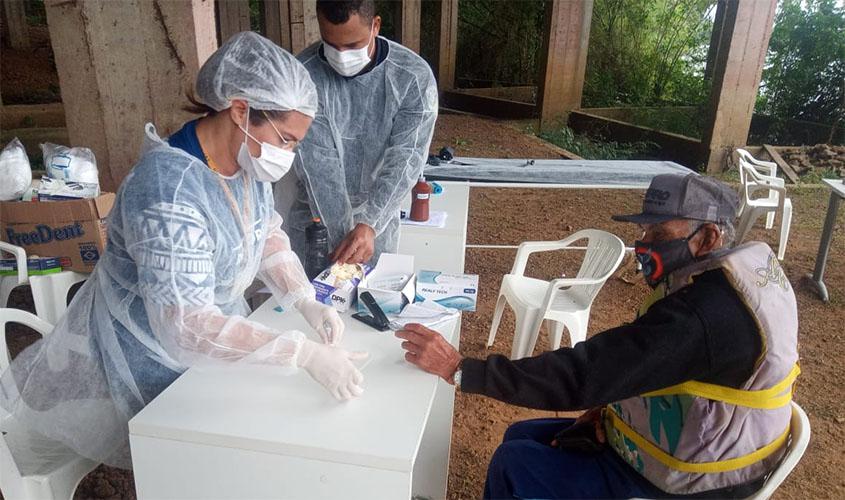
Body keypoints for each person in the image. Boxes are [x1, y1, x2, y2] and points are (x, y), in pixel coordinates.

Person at [0, 32, 367, 470]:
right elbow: (186, 326)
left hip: (212, 342)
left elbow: (263, 232)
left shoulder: (242, 164)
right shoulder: (168, 191)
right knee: (187, 467)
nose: (287, 153)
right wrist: (303, 354)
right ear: (240, 110)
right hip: (153, 354)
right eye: (286, 139)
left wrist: (305, 299)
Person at [397, 173, 799, 498]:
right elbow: (651, 365)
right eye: (643, 234)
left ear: (707, 238)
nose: (642, 247)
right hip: (706, 440)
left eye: (658, 236)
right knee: (520, 435)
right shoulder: (732, 278)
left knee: (513, 462)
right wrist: (613, 412)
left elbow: (586, 373)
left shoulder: (705, 315)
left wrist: (460, 368)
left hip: (702, 481)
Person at [280, 0, 438, 265]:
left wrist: (370, 224)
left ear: (375, 25)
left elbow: (406, 159)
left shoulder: (412, 78)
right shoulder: (304, 75)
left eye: (352, 45)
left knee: (370, 301)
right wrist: (342, 241)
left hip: (377, 217)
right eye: (331, 44)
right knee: (307, 299)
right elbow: (319, 168)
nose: (341, 55)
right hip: (315, 218)